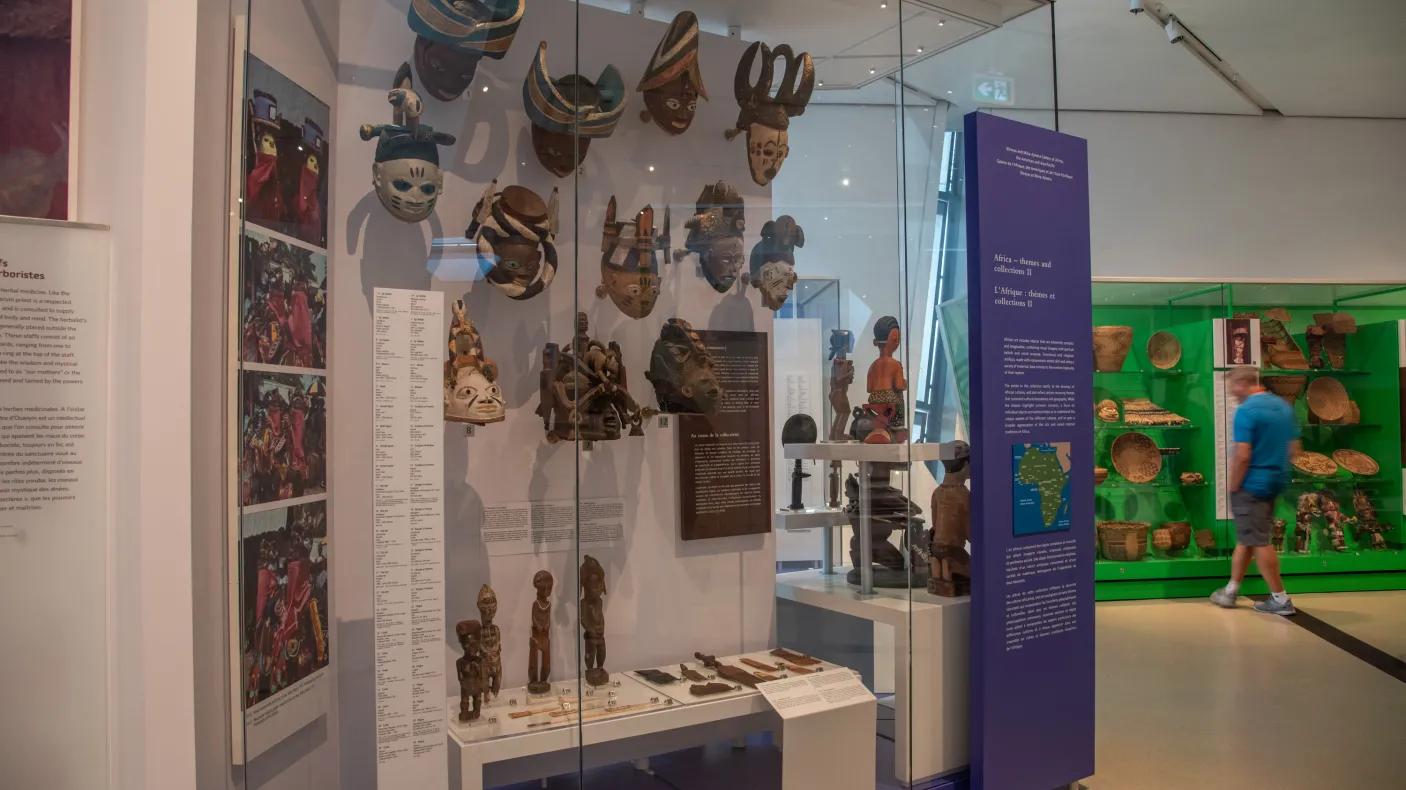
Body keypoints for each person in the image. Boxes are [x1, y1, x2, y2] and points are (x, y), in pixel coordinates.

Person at [1211, 366, 1301, 615]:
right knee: (1249, 535)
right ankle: (1231, 590)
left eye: (1233, 387)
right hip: (1274, 481)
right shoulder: (1284, 407)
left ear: (1244, 382)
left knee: (1259, 540)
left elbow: (1242, 455)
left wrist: (1234, 484)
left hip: (1252, 484)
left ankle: (1280, 599)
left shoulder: (1247, 410)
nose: (1232, 393)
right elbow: (1294, 449)